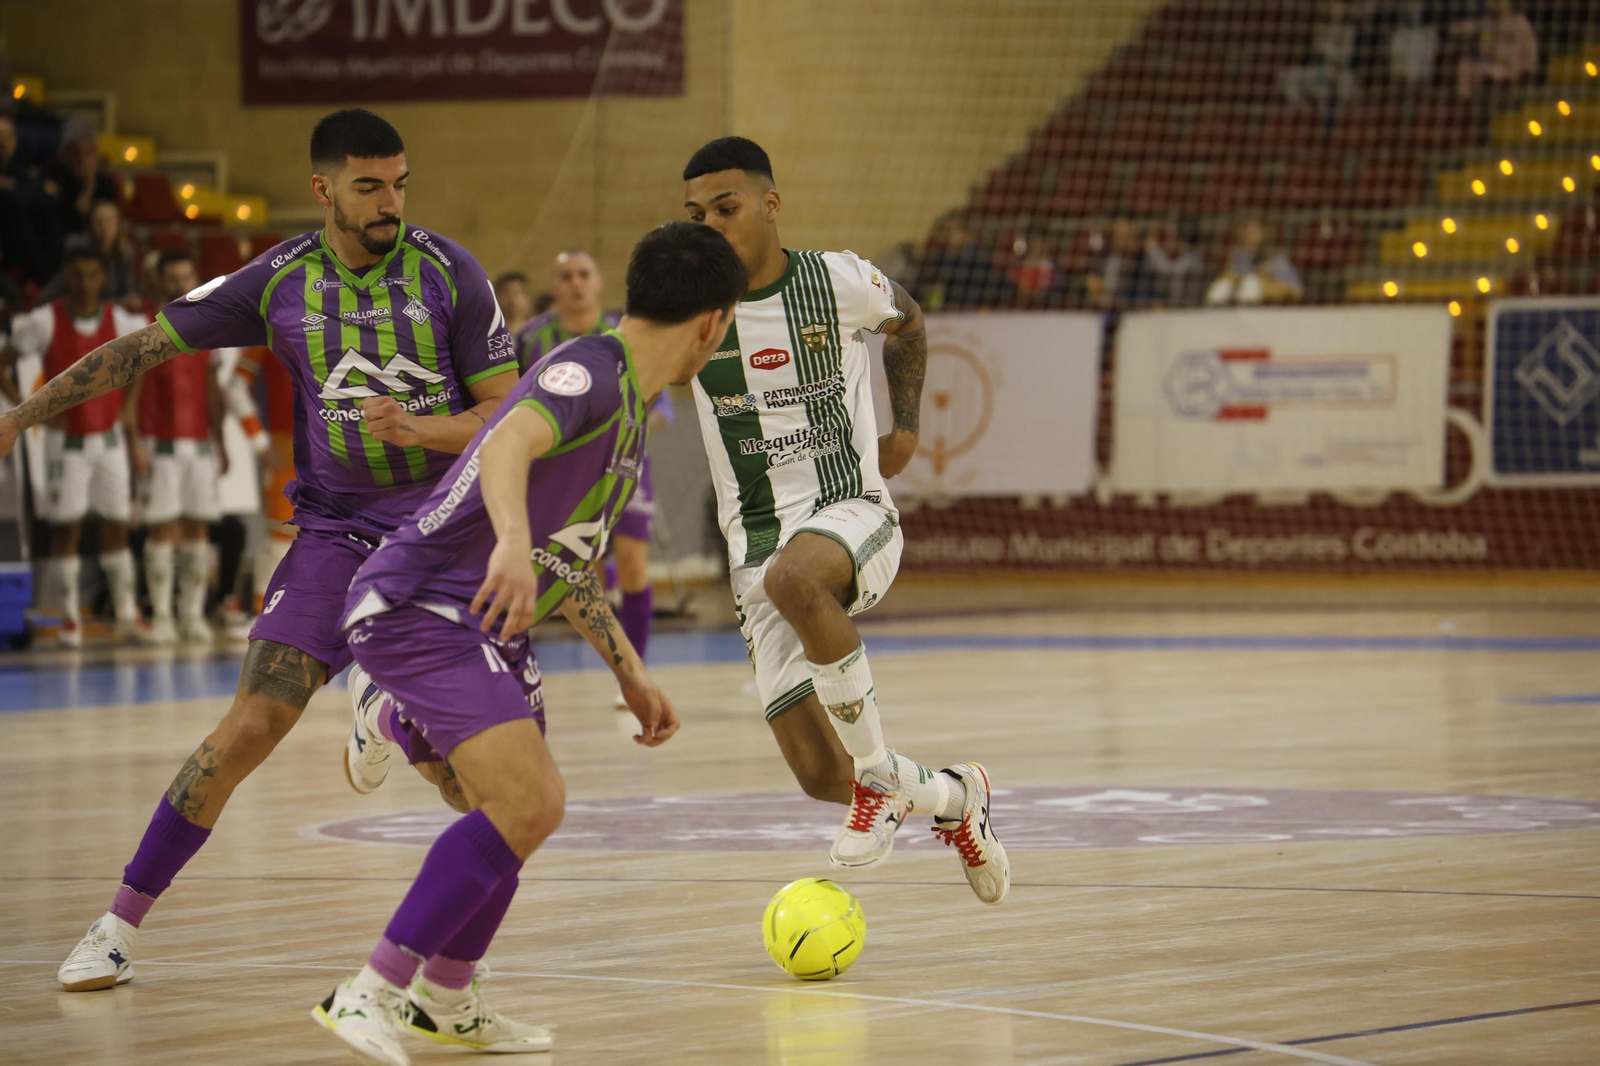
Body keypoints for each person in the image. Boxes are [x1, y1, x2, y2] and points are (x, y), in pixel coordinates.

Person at [0, 108, 522, 992]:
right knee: (251, 724)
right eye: (369, 186)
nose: (390, 201)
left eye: (400, 182)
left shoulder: (450, 273)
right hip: (334, 535)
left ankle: (391, 713)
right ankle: (118, 923)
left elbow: (507, 419)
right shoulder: (280, 280)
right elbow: (140, 349)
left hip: (439, 539)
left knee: (473, 791)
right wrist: (17, 417)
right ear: (323, 190)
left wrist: (420, 428)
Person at [317, 221, 742, 1065]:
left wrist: (630, 672)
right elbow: (507, 439)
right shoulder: (591, 366)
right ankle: (370, 991)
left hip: (482, 621)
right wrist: (509, 539)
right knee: (531, 802)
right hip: (421, 600)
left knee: (508, 811)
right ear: (714, 324)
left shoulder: (631, 410)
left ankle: (446, 997)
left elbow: (570, 564)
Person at [680, 137, 1008, 903]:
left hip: (852, 515)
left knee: (800, 575)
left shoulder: (836, 280)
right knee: (820, 773)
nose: (710, 225)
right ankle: (955, 797)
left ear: (770, 204)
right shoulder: (688, 313)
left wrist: (908, 428)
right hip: (754, 555)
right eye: (696, 214)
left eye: (725, 208)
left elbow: (912, 321)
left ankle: (880, 788)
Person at [517, 248, 668, 713]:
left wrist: (619, 428)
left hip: (623, 464)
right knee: (575, 566)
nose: (576, 283)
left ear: (599, 283)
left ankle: (635, 670)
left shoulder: (625, 333)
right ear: (555, 285)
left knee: (634, 565)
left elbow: (661, 409)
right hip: (559, 473)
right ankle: (599, 666)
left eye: (585, 274)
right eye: (566, 276)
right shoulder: (530, 338)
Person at [1, 246, 148, 646]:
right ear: (67, 277)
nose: (86, 283)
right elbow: (3, 362)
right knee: (66, 527)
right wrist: (30, 411)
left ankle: (126, 616)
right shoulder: (43, 321)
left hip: (109, 439)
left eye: (93, 275)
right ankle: (69, 621)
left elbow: (140, 363)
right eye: (78, 274)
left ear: (103, 279)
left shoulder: (120, 319)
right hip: (63, 444)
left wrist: (129, 408)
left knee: (117, 524)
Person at [132, 249, 227, 645]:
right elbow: (130, 390)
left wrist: (222, 442)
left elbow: (211, 389)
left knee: (196, 529)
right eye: (173, 279)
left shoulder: (209, 327)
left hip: (199, 443)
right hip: (160, 443)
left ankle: (191, 614)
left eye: (187, 277)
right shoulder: (143, 328)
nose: (181, 285)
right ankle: (163, 615)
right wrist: (134, 440)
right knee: (163, 530)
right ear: (160, 282)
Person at [1205, 217, 1303, 305]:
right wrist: (1238, 278)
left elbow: (1296, 292)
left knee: (1251, 283)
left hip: (1269, 304)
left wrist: (1264, 283)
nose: (1248, 235)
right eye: (1246, 231)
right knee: (1223, 285)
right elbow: (1228, 276)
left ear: (1263, 233)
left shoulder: (1276, 258)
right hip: (1238, 295)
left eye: (1253, 231)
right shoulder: (1238, 255)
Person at [1453, 0, 1536, 100]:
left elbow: (1530, 50)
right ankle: (1465, 103)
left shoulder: (1520, 22)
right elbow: (1483, 45)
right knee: (1465, 65)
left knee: (1488, 73)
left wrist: (1527, 72)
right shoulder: (1487, 22)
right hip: (1490, 64)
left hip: (1511, 69)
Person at [493, 270, 534, 337]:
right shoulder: (491, 332)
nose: (511, 299)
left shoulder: (537, 330)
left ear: (527, 297)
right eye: (506, 293)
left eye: (516, 293)